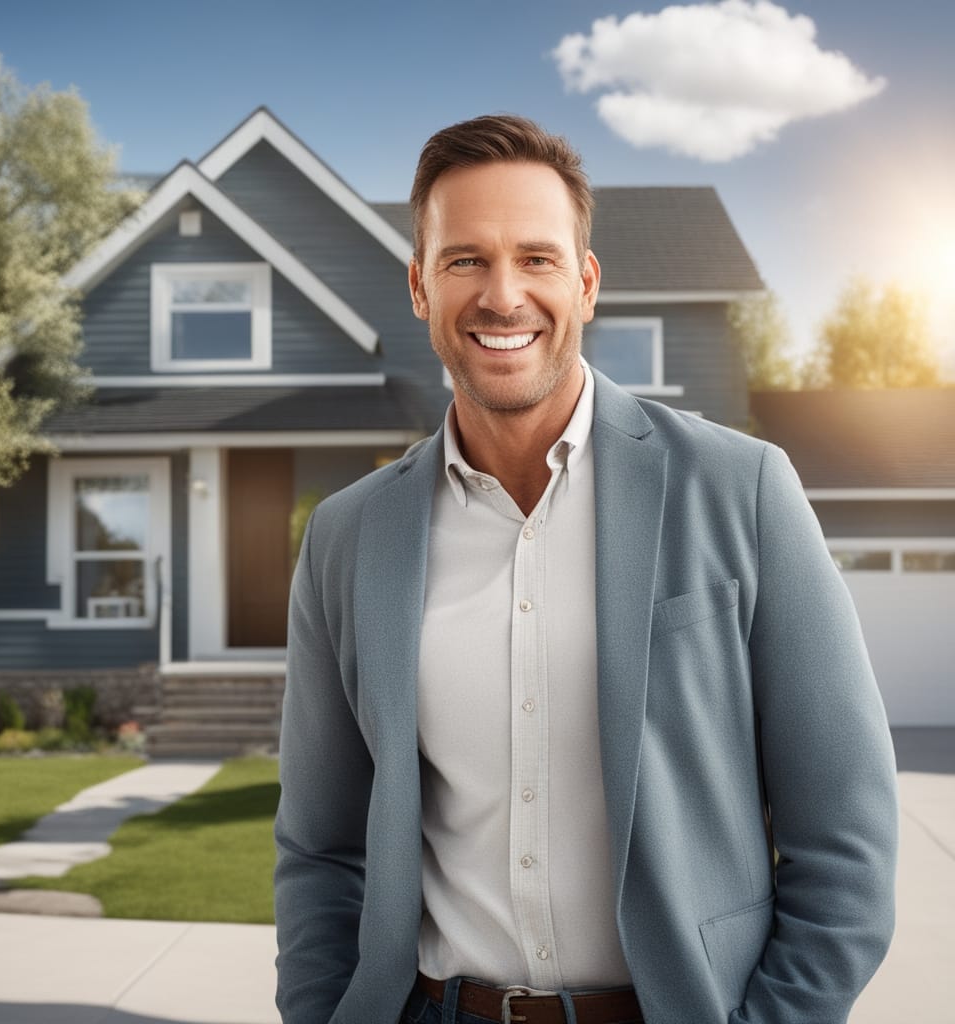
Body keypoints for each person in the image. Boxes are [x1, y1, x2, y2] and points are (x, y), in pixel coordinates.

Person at [273, 115, 898, 1024]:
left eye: (536, 258)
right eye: (464, 261)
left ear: (587, 282)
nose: (502, 295)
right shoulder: (347, 538)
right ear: (418, 286)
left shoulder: (741, 489)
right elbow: (322, 847)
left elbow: (847, 838)